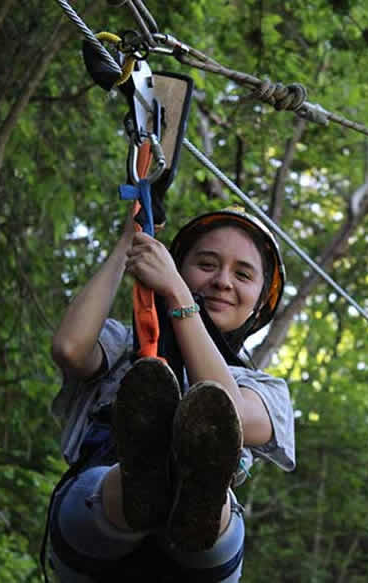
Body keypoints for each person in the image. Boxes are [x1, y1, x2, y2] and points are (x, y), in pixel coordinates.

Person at [46, 205, 296, 582]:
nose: (223, 281)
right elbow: (70, 349)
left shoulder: (265, 390)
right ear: (175, 267)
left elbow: (226, 410)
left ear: (261, 301)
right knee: (123, 481)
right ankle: (141, 485)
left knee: (211, 457)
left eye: (242, 274)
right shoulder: (125, 346)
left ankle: (188, 489)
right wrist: (130, 244)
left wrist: (180, 295)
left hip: (203, 553)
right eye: (207, 264)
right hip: (95, 520)